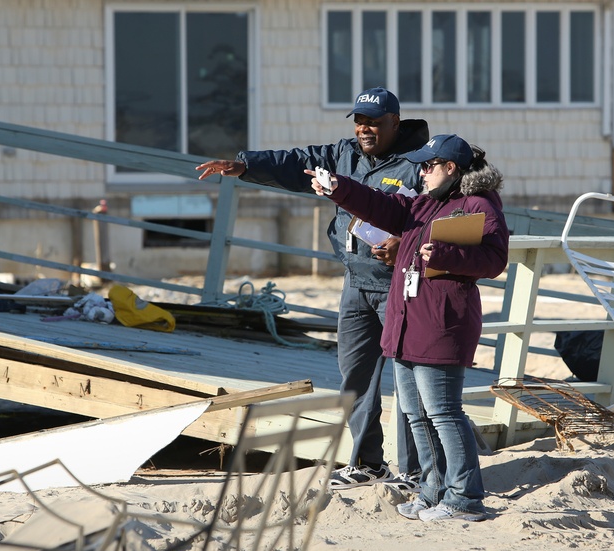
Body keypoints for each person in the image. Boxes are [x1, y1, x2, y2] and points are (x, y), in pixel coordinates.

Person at [196, 87, 426, 491]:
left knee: (408, 380)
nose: (364, 129)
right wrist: (244, 166)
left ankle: (414, 471)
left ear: (395, 121)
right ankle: (369, 463)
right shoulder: (345, 154)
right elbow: (297, 162)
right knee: (355, 379)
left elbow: (437, 217)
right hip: (355, 280)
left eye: (373, 121)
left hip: (399, 285)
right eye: (358, 121)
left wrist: (404, 242)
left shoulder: (418, 164)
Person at [307, 134, 508, 522]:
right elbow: (383, 206)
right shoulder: (424, 202)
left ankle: (466, 499)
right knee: (416, 413)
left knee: (444, 412)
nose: (422, 171)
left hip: (441, 324)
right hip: (406, 323)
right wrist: (339, 187)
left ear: (452, 169)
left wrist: (447, 254)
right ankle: (432, 491)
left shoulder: (478, 204)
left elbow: (494, 258)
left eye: (429, 165)